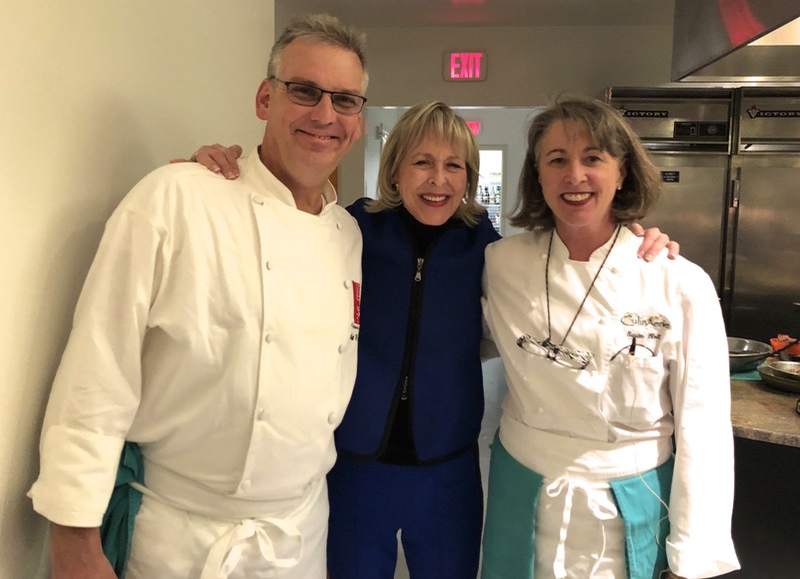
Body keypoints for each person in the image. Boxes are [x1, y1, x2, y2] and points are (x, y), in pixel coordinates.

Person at [187, 103, 677, 578]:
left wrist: (630, 238)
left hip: (448, 469)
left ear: (469, 177)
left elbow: (570, 264)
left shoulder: (489, 250)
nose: (438, 180)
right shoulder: (351, 230)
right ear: (395, 170)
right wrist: (224, 178)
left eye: (454, 166)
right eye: (422, 162)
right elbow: (276, 225)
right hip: (356, 462)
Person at [28, 13, 367, 579]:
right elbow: (98, 368)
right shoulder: (176, 197)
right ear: (265, 98)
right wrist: (73, 539)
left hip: (298, 537)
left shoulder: (347, 235)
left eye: (346, 100)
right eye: (305, 91)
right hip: (175, 538)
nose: (325, 114)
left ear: (358, 122)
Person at [480, 96, 740, 579]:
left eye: (593, 158)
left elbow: (703, 429)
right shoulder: (501, 265)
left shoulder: (678, 282)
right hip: (521, 490)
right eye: (556, 160)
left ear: (622, 172)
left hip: (633, 497)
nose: (574, 175)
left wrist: (692, 556)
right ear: (537, 175)